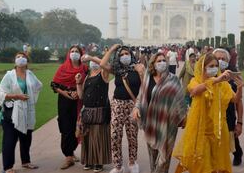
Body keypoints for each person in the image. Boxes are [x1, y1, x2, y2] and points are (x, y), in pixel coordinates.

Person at [173, 53, 243, 173]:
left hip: (219, 132)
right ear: (203, 67)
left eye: (216, 66)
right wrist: (215, 81)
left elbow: (235, 99)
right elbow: (194, 91)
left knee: (217, 167)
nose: (215, 68)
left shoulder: (223, 84)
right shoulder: (196, 81)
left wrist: (240, 87)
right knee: (202, 167)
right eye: (211, 66)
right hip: (201, 133)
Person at [132, 52, 186, 173]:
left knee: (164, 158)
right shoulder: (147, 78)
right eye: (159, 61)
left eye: (163, 61)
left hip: (168, 124)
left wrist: (182, 116)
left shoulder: (173, 79)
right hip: (150, 123)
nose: (162, 63)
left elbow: (180, 100)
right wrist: (136, 108)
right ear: (153, 64)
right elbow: (141, 97)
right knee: (153, 156)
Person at [100, 44, 144, 173]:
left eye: (127, 54)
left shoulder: (138, 68)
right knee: (115, 136)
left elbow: (145, 86)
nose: (125, 56)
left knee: (132, 136)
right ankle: (118, 166)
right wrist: (112, 49)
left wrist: (141, 71)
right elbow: (103, 64)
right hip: (117, 105)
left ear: (131, 55)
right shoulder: (117, 70)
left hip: (132, 106)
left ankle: (132, 162)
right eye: (121, 55)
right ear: (118, 58)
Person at [0, 52, 43, 173]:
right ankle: (8, 167)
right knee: (9, 141)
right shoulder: (9, 76)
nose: (21, 59)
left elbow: (39, 86)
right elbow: (0, 93)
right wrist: (16, 96)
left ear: (27, 61)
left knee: (26, 138)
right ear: (14, 61)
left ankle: (26, 161)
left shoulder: (30, 74)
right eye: (18, 57)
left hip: (27, 111)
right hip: (11, 112)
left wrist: (31, 97)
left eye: (23, 57)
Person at [51, 45, 88, 169]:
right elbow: (55, 85)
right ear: (68, 53)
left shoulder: (85, 69)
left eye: (76, 51)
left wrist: (79, 92)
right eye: (72, 51)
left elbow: (88, 83)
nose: (74, 53)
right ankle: (68, 156)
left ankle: (71, 152)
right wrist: (65, 93)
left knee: (77, 127)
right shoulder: (63, 68)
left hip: (79, 101)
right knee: (66, 127)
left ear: (81, 54)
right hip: (65, 102)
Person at [75, 55, 112, 172]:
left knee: (98, 137)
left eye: (95, 60)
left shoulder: (103, 74)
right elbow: (81, 96)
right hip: (87, 111)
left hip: (100, 111)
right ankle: (89, 161)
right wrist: (78, 83)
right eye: (91, 61)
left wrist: (91, 57)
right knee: (88, 138)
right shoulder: (87, 77)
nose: (92, 62)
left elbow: (106, 65)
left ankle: (99, 162)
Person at [213, 48, 244, 166]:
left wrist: (240, 122)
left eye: (223, 59)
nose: (220, 61)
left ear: (228, 61)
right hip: (213, 118)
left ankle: (237, 153)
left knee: (232, 137)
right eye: (218, 59)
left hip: (228, 116)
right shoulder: (208, 77)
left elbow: (238, 102)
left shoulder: (232, 78)